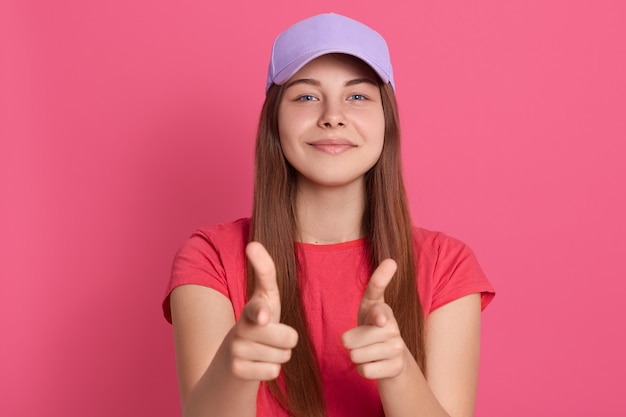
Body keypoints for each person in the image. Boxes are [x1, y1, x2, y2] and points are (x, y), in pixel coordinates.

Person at [162, 13, 495, 417]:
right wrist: (236, 367)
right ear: (274, 120)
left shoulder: (447, 266)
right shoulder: (210, 257)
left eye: (357, 96)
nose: (332, 116)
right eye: (306, 96)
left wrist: (399, 372)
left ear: (387, 119)